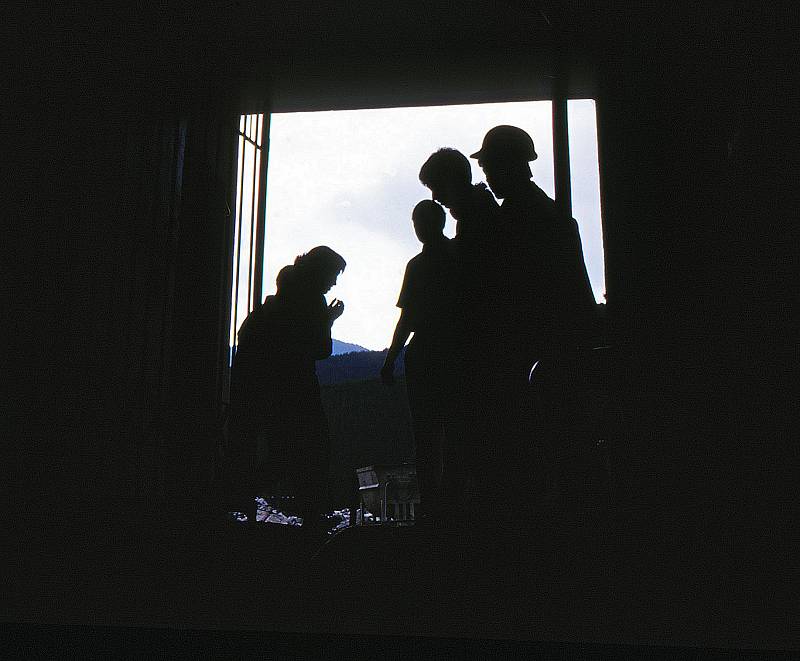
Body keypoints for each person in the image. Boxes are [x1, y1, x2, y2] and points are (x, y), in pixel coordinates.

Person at [470, 125, 598, 515]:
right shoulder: (545, 209)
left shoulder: (519, 215)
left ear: (509, 164)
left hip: (537, 345)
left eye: (490, 165)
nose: (487, 176)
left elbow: (510, 285)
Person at [228, 247, 346, 529]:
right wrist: (328, 320)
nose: (334, 283)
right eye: (333, 275)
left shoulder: (281, 297)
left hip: (261, 383)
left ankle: (235, 493)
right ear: (322, 271)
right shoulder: (313, 301)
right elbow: (320, 348)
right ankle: (311, 514)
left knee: (277, 450)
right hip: (295, 387)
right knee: (312, 447)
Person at [381, 201, 459, 526]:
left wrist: (390, 360)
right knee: (453, 431)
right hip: (453, 353)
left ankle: (432, 507)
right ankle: (450, 505)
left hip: (426, 355)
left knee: (426, 434)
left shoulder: (418, 265)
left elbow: (407, 318)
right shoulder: (458, 255)